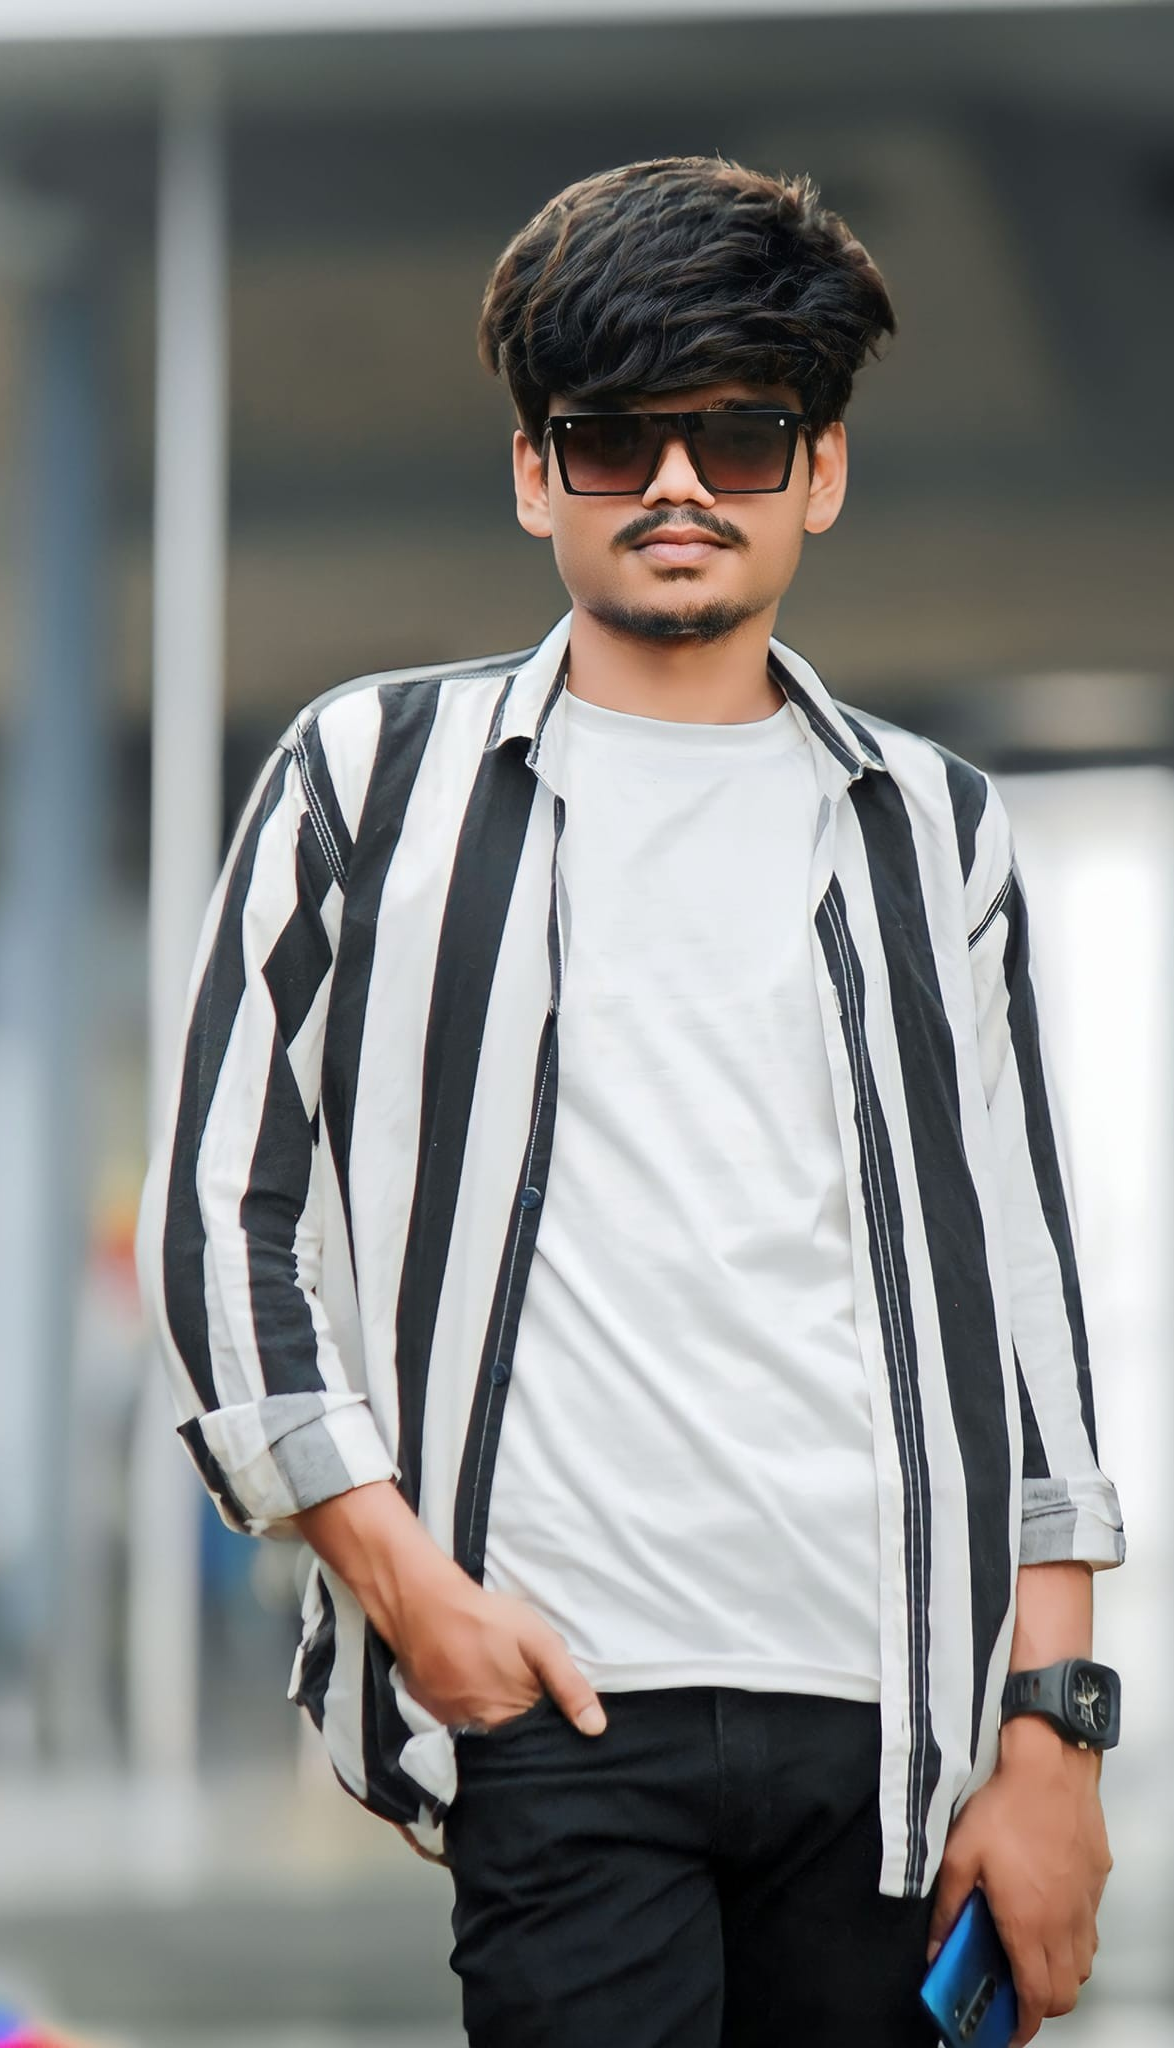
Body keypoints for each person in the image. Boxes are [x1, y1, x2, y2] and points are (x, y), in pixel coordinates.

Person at [136, 156, 1125, 2048]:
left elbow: (1023, 1303)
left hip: (887, 1729)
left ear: (819, 473)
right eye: (613, 442)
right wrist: (404, 1586)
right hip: (553, 1695)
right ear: (535, 475)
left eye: (740, 437)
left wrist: (1052, 1738)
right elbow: (216, 1223)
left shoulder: (935, 833)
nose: (679, 485)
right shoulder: (367, 781)